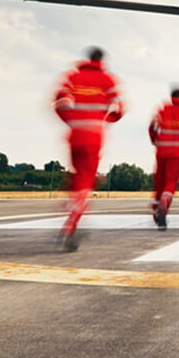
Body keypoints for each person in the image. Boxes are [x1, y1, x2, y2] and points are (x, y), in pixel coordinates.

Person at [53, 47, 124, 251]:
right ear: (101, 60)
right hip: (93, 137)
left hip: (75, 135)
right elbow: (119, 109)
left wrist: (72, 122)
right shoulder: (108, 80)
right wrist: (104, 121)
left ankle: (70, 201)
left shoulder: (72, 77)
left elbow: (60, 104)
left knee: (77, 176)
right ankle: (71, 222)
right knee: (85, 181)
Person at [149, 83, 179, 230]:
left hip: (161, 151)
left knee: (159, 183)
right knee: (170, 183)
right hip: (176, 152)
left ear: (171, 95)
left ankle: (156, 212)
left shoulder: (162, 109)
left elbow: (152, 127)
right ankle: (164, 206)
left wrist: (155, 141)